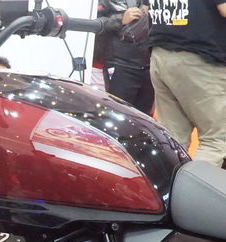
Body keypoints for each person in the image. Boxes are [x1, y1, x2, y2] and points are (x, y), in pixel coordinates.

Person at [148, 0, 226, 167]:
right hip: (200, 61)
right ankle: (192, 184)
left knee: (172, 139)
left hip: (161, 54)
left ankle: (165, 183)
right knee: (216, 139)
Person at [95, 0, 154, 115]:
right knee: (117, 113)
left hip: (150, 65)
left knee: (144, 119)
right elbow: (94, 22)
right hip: (120, 64)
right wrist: (120, 19)